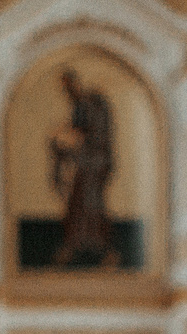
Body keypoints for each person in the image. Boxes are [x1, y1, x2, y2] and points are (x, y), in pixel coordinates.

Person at [48, 67, 115, 268]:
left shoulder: (87, 104)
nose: (66, 91)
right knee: (78, 207)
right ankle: (77, 247)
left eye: (67, 86)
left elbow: (82, 133)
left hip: (93, 165)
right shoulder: (83, 104)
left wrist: (60, 139)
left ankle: (103, 251)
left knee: (90, 205)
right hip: (88, 164)